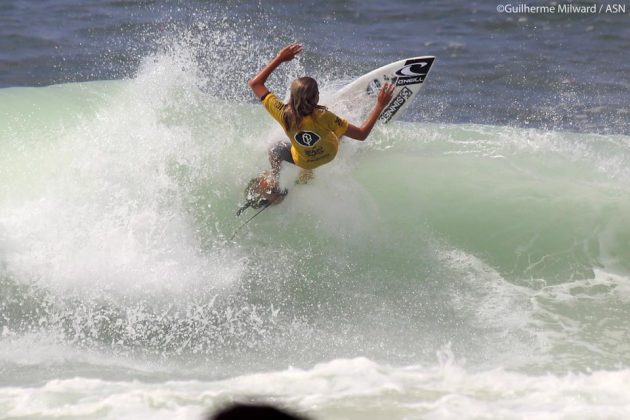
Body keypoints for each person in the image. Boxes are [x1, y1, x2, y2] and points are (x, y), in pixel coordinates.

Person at [247, 43, 394, 204]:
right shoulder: (325, 116)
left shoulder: (283, 114)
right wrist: (380, 105)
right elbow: (362, 134)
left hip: (302, 159)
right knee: (339, 130)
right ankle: (307, 173)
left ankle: (275, 180)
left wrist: (279, 58)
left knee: (275, 149)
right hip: (329, 153)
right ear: (316, 97)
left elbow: (255, 83)